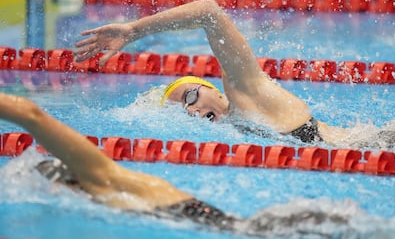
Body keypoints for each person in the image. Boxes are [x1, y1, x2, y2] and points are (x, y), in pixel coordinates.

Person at [0, 92, 354, 237]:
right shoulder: (113, 186)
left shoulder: (101, 176)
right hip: (235, 225)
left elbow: (32, 114)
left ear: (65, 182)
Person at [74, 0, 395, 147]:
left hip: (389, 146)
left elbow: (208, 12)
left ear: (214, 89)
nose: (191, 109)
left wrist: (134, 31)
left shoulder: (246, 90)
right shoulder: (237, 126)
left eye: (190, 95)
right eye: (184, 108)